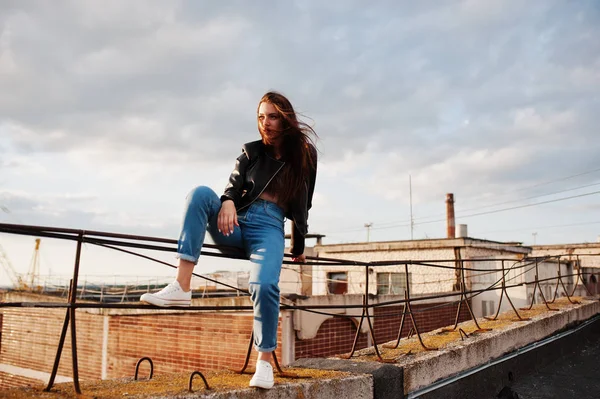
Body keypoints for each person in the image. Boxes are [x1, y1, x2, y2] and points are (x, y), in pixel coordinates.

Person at [141, 91, 318, 389]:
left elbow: (303, 206)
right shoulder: (250, 153)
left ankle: (263, 363)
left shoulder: (304, 154)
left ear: (286, 118)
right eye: (261, 117)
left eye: (273, 116)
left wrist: (298, 247)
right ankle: (182, 287)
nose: (266, 123)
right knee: (198, 193)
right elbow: (232, 188)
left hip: (269, 230)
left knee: (263, 285)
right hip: (235, 222)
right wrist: (226, 202)